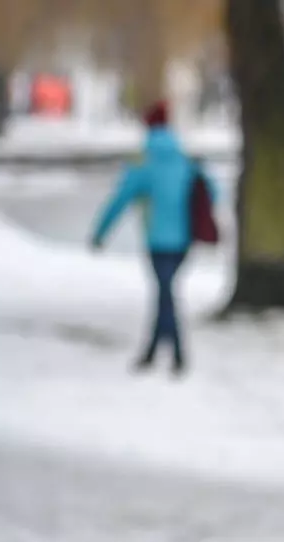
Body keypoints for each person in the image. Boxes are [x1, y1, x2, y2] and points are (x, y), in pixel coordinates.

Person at [89, 101, 213, 376]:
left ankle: (177, 355)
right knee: (165, 293)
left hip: (158, 241)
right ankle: (153, 353)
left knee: (166, 294)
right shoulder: (182, 156)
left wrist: (100, 233)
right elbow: (211, 191)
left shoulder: (144, 162)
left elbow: (119, 199)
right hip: (184, 241)